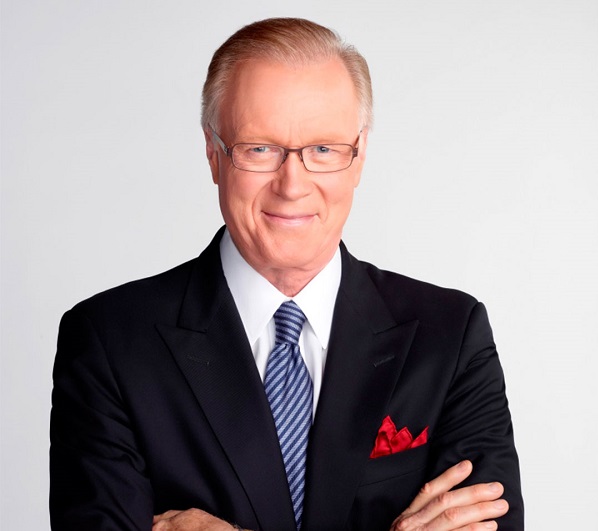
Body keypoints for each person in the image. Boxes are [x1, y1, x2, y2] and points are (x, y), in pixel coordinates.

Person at [50, 17, 523, 531]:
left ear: (359, 156)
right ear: (213, 152)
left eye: (323, 149)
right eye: (260, 149)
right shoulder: (108, 341)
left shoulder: (450, 335)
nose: (292, 184)